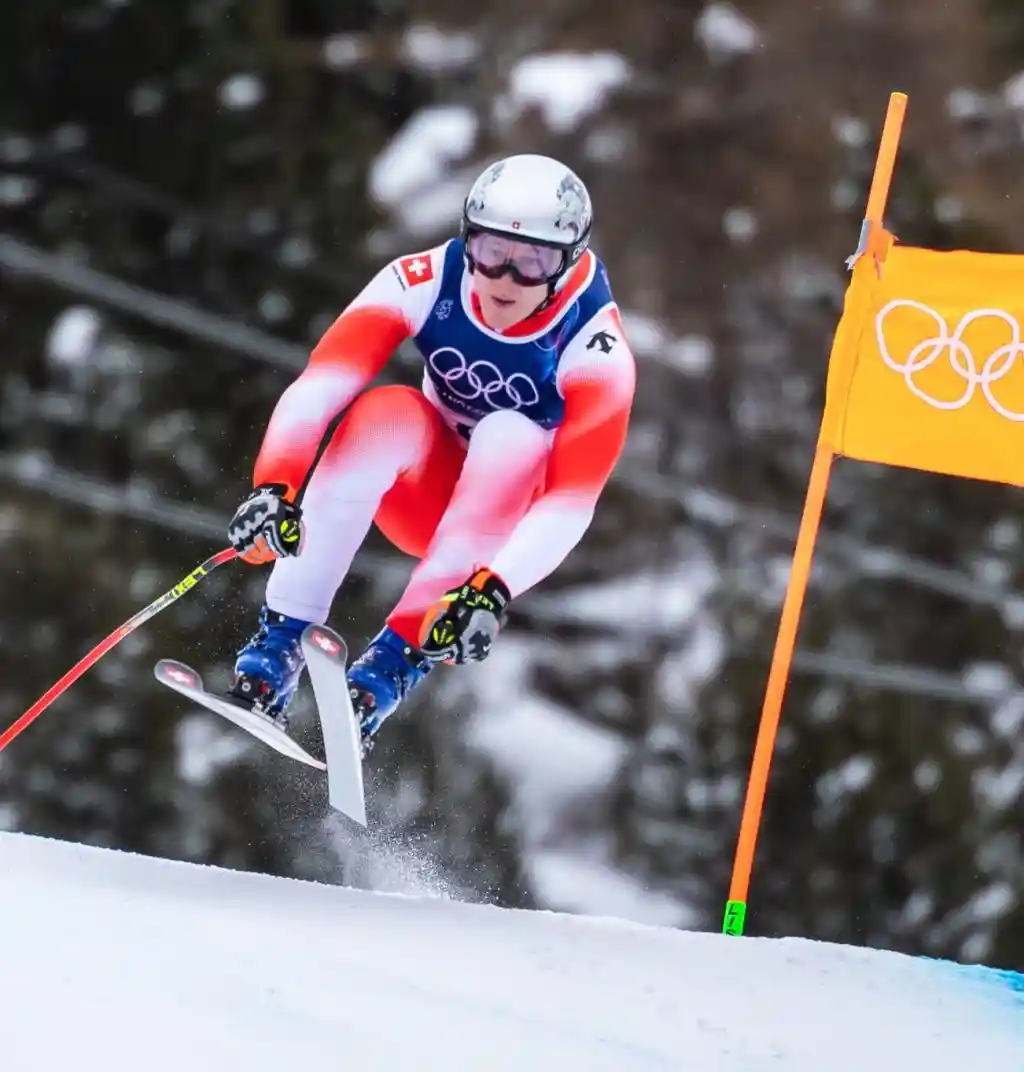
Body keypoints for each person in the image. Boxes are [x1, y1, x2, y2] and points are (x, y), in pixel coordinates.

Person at [225, 153, 637, 751]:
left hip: (497, 539)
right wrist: (274, 486)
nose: (505, 280)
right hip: (420, 495)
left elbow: (572, 501)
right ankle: (278, 646)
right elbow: (323, 381)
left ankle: (387, 671)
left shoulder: (595, 346)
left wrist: (494, 587)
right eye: (491, 252)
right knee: (385, 410)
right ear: (467, 238)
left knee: (512, 434)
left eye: (533, 263)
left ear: (568, 262)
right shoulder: (424, 279)